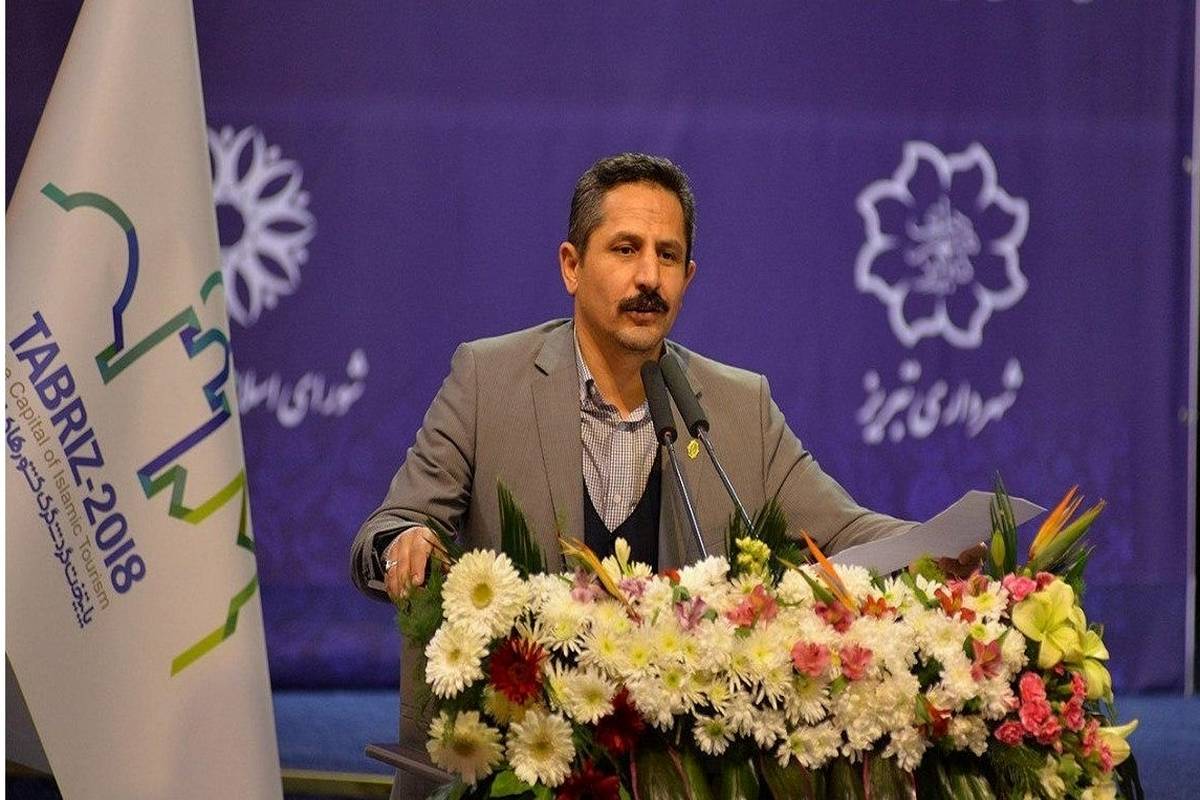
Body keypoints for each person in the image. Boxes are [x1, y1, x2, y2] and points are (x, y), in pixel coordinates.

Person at [350, 153, 915, 792]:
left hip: (682, 771)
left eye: (668, 256)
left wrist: (953, 551)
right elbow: (388, 529)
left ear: (688, 275)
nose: (649, 277)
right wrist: (404, 544)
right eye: (626, 249)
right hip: (515, 768)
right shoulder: (488, 380)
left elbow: (845, 533)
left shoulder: (737, 408)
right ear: (571, 266)